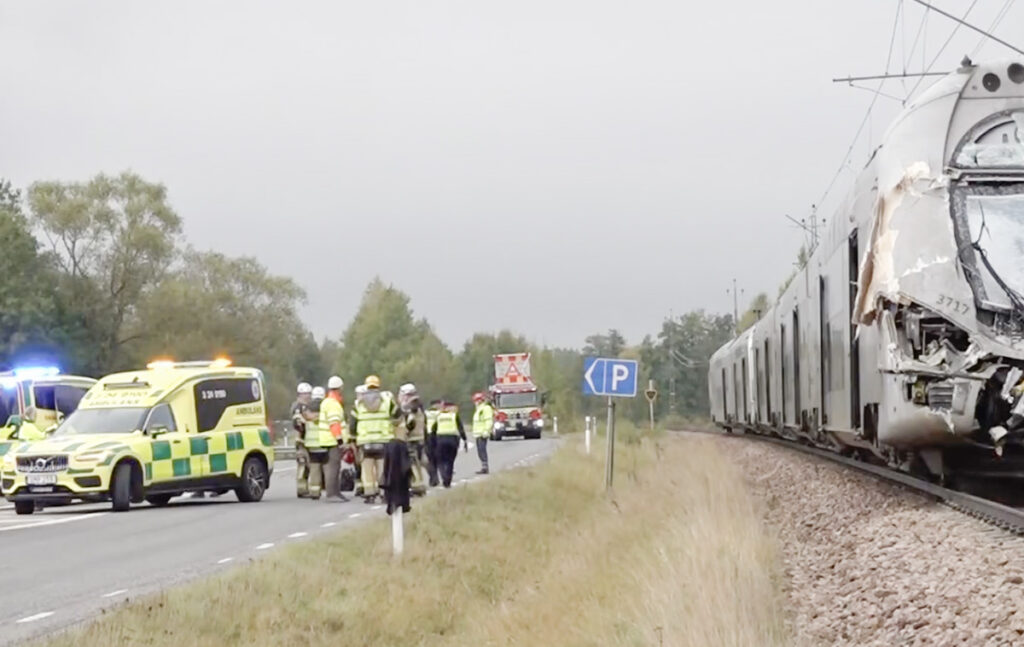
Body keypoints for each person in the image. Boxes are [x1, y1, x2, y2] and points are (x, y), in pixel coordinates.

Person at [350, 375, 400, 503]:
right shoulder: (387, 401)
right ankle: (384, 493)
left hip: (365, 441)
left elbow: (353, 423)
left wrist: (352, 439)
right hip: (383, 440)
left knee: (367, 469)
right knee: (382, 468)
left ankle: (369, 494)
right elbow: (398, 416)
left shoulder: (358, 403)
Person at [319, 375, 348, 502]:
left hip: (327, 439)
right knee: (333, 467)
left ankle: (335, 492)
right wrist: (340, 440)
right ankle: (332, 493)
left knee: (332, 467)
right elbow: (334, 423)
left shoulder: (326, 401)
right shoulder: (333, 404)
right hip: (332, 440)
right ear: (339, 388)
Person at [398, 383, 428, 495]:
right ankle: (419, 484)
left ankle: (416, 486)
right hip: (420, 439)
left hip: (411, 439)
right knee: (418, 463)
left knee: (412, 464)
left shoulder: (410, 407)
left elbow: (410, 422)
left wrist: (405, 431)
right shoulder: (419, 406)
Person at [303, 386, 333, 500]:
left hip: (311, 444)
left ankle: (314, 492)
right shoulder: (326, 407)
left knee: (314, 468)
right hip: (325, 442)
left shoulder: (307, 408)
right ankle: (330, 490)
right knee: (327, 468)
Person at [429, 399, 466, 488]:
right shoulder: (454, 416)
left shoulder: (439, 416)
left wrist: (432, 442)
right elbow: (461, 429)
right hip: (452, 440)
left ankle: (444, 476)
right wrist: (464, 439)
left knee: (441, 461)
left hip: (441, 440)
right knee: (450, 461)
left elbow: (433, 430)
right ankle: (448, 480)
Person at [291, 382, 314, 498]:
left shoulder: (308, 406)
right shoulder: (297, 408)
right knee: (302, 464)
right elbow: (298, 423)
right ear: (300, 395)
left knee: (309, 465)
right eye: (305, 394)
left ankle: (306, 487)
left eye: (309, 394)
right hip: (301, 441)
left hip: (308, 440)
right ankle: (301, 489)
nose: (308, 396)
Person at [471, 392, 495, 475]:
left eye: (476, 400)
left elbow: (488, 421)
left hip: (482, 433)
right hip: (478, 434)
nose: (475, 402)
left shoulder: (485, 408)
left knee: (482, 450)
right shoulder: (479, 409)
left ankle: (485, 466)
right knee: (480, 451)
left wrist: (486, 431)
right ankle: (483, 466)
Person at [425, 399, 441, 486]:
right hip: (435, 436)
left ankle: (433, 478)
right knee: (433, 459)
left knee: (431, 459)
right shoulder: (440, 414)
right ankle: (434, 477)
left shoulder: (426, 413)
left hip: (428, 435)